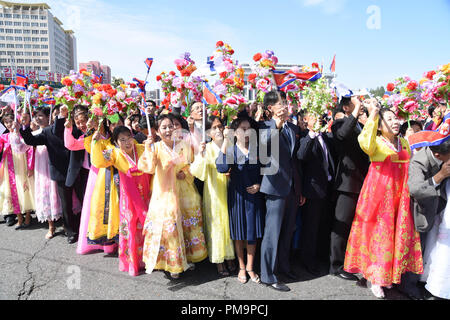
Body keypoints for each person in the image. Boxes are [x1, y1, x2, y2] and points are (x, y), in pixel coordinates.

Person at [344, 101, 423, 299]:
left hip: (400, 196)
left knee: (396, 235)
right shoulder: (376, 141)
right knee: (379, 235)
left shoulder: (404, 142)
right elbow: (364, 141)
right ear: (379, 126)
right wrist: (374, 114)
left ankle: (389, 275)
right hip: (379, 196)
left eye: (395, 118)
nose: (395, 122)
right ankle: (375, 278)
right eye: (389, 120)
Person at [258, 90, 304, 292]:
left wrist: (299, 188)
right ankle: (268, 274)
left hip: (293, 188)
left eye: (286, 102)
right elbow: (261, 151)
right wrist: (275, 127)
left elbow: (296, 160)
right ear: (270, 108)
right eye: (280, 103)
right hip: (275, 187)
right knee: (272, 233)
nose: (285, 106)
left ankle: (284, 267)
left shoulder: (293, 127)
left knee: (288, 231)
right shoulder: (263, 126)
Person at [91, 125, 152, 276]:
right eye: (122, 140)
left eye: (129, 138)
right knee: (131, 226)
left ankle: (150, 258)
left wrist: (151, 146)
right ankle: (134, 261)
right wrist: (96, 143)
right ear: (117, 142)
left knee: (147, 225)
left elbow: (152, 162)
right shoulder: (114, 153)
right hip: (129, 198)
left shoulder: (141, 148)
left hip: (145, 193)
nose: (127, 142)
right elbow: (98, 162)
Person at [138, 115, 190, 279]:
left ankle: (178, 261)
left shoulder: (181, 145)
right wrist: (148, 149)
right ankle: (163, 262)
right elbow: (147, 167)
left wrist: (185, 172)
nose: (168, 130)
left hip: (182, 190)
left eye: (170, 126)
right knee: (167, 229)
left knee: (180, 228)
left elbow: (190, 163)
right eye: (164, 128)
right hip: (163, 194)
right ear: (158, 131)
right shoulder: (156, 148)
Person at [216, 115, 265, 284]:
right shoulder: (230, 150)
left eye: (249, 129)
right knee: (239, 233)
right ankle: (241, 266)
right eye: (242, 129)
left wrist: (259, 185)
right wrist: (225, 141)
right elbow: (221, 168)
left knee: (252, 232)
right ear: (234, 132)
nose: (246, 133)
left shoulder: (258, 149)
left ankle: (251, 267)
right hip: (237, 197)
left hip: (254, 197)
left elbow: (265, 172)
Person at [329, 97, 370, 281]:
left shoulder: (360, 125)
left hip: (363, 181)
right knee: (342, 225)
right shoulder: (339, 124)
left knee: (355, 226)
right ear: (347, 108)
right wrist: (356, 112)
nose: (360, 105)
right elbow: (342, 135)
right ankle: (335, 265)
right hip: (347, 184)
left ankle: (351, 261)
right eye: (355, 103)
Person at [190, 115, 236, 277]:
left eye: (220, 126)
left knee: (229, 224)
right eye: (214, 128)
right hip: (214, 192)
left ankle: (231, 257)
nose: (218, 130)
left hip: (230, 189)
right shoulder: (207, 148)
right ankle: (219, 261)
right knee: (217, 226)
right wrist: (200, 155)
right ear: (208, 132)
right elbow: (197, 173)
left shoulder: (230, 144)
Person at [406, 139, 450, 300]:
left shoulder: (442, 154)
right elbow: (415, 190)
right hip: (420, 210)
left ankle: (424, 279)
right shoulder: (419, 161)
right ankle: (409, 285)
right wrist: (439, 176)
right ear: (438, 155)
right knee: (418, 246)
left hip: (439, 208)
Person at [297, 110, 336, 276]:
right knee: (310, 228)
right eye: (314, 115)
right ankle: (308, 261)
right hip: (312, 189)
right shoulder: (305, 136)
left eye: (319, 115)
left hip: (326, 186)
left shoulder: (325, 136)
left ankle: (320, 256)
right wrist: (311, 134)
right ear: (306, 119)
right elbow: (301, 156)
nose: (318, 117)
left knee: (322, 225)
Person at [169, 113, 208, 267]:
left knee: (190, 221)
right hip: (169, 188)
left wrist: (185, 172)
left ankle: (195, 255)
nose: (173, 128)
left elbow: (195, 162)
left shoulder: (187, 143)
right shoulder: (162, 145)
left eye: (176, 125)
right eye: (169, 125)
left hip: (186, 186)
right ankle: (177, 259)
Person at [85, 117, 125, 254]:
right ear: (109, 126)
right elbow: (98, 161)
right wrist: (95, 141)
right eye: (114, 124)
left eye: (120, 123)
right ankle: (116, 241)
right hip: (111, 181)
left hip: (128, 180)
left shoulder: (132, 140)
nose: (117, 126)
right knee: (113, 208)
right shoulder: (106, 143)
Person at [31, 107, 62, 239]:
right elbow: (22, 148)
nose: (38, 118)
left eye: (41, 115)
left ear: (48, 116)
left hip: (54, 165)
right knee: (45, 194)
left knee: (59, 193)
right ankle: (51, 226)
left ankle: (65, 222)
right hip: (41, 168)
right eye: (36, 116)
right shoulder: (34, 133)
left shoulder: (55, 130)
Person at [0, 113, 35, 229]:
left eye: (11, 121)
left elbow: (30, 150)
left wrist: (30, 167)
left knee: (23, 188)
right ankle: (19, 217)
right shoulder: (4, 137)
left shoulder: (23, 135)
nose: (10, 124)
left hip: (21, 164)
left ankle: (28, 216)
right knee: (11, 190)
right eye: (7, 122)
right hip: (9, 167)